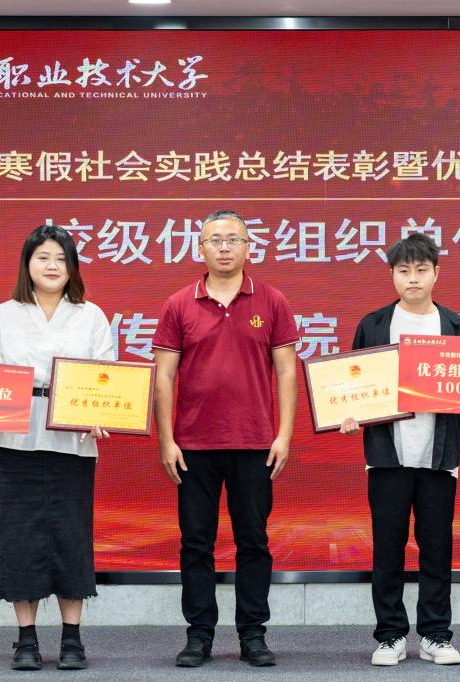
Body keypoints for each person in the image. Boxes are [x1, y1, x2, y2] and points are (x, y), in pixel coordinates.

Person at [340, 232, 460, 667]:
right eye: (403, 270)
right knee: (387, 548)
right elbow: (353, 384)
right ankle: (390, 636)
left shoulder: (456, 327)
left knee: (436, 548)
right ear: (392, 275)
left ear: (436, 273)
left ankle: (435, 635)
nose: (412, 278)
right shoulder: (373, 325)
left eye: (421, 270)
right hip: (387, 457)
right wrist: (349, 414)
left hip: (439, 459)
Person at [0, 224, 114, 671]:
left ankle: (73, 638)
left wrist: (105, 411)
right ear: (27, 264)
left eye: (61, 258)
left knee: (70, 535)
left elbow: (108, 373)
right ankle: (26, 640)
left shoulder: (91, 315)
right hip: (16, 441)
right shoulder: (2, 315)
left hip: (73, 442)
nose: (52, 266)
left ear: (72, 266)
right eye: (43, 257)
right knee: (20, 537)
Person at [152, 210, 299, 668]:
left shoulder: (272, 301)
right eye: (214, 239)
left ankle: (253, 634)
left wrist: (284, 435)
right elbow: (163, 377)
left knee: (253, 540)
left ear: (248, 247)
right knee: (196, 542)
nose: (224, 247)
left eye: (233, 239)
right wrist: (166, 440)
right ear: (200, 248)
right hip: (193, 445)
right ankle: (199, 635)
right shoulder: (179, 304)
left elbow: (287, 371)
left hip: (255, 443)